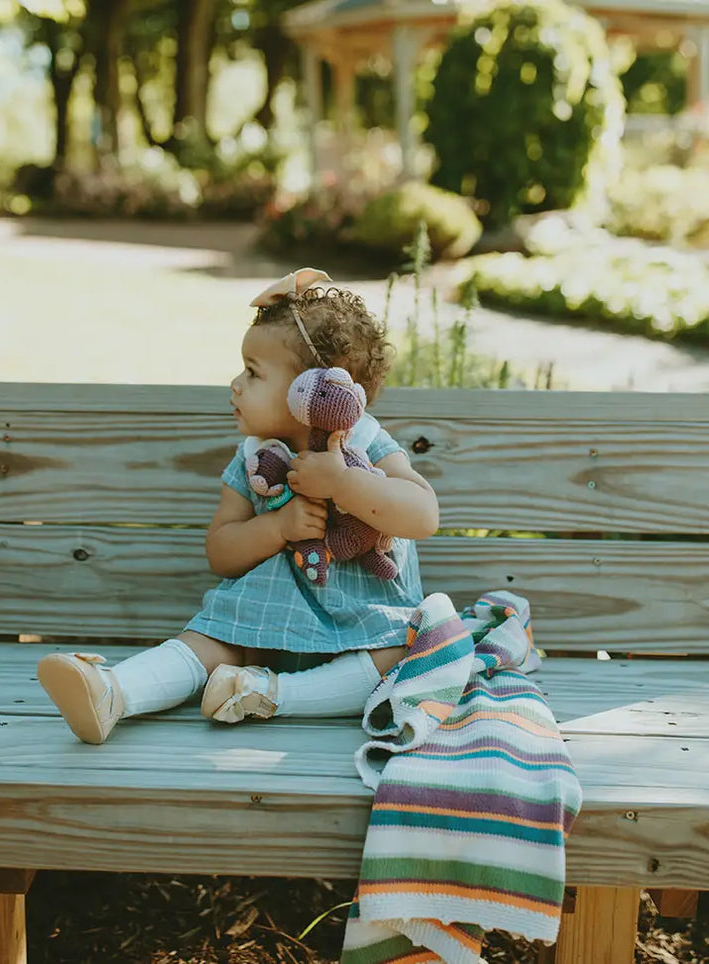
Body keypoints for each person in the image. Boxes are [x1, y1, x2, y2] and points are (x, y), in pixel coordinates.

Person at [37, 268, 440, 744]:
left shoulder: (363, 440)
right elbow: (221, 552)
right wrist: (277, 527)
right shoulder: (255, 458)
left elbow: (423, 515)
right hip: (263, 625)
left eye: (252, 372)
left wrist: (346, 483)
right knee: (207, 643)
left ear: (311, 387)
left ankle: (270, 695)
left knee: (402, 655)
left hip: (364, 622)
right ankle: (115, 691)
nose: (235, 383)